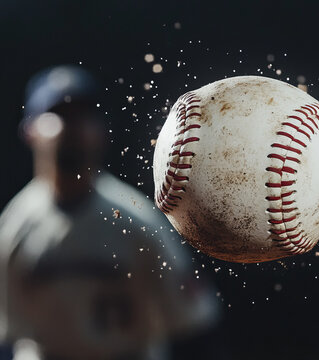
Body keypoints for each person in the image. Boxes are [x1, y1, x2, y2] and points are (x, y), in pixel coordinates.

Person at [0, 65, 221, 360]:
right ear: (29, 130)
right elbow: (6, 333)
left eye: (83, 115)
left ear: (100, 131)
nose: (73, 126)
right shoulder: (13, 226)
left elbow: (193, 325)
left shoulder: (138, 222)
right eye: (59, 114)